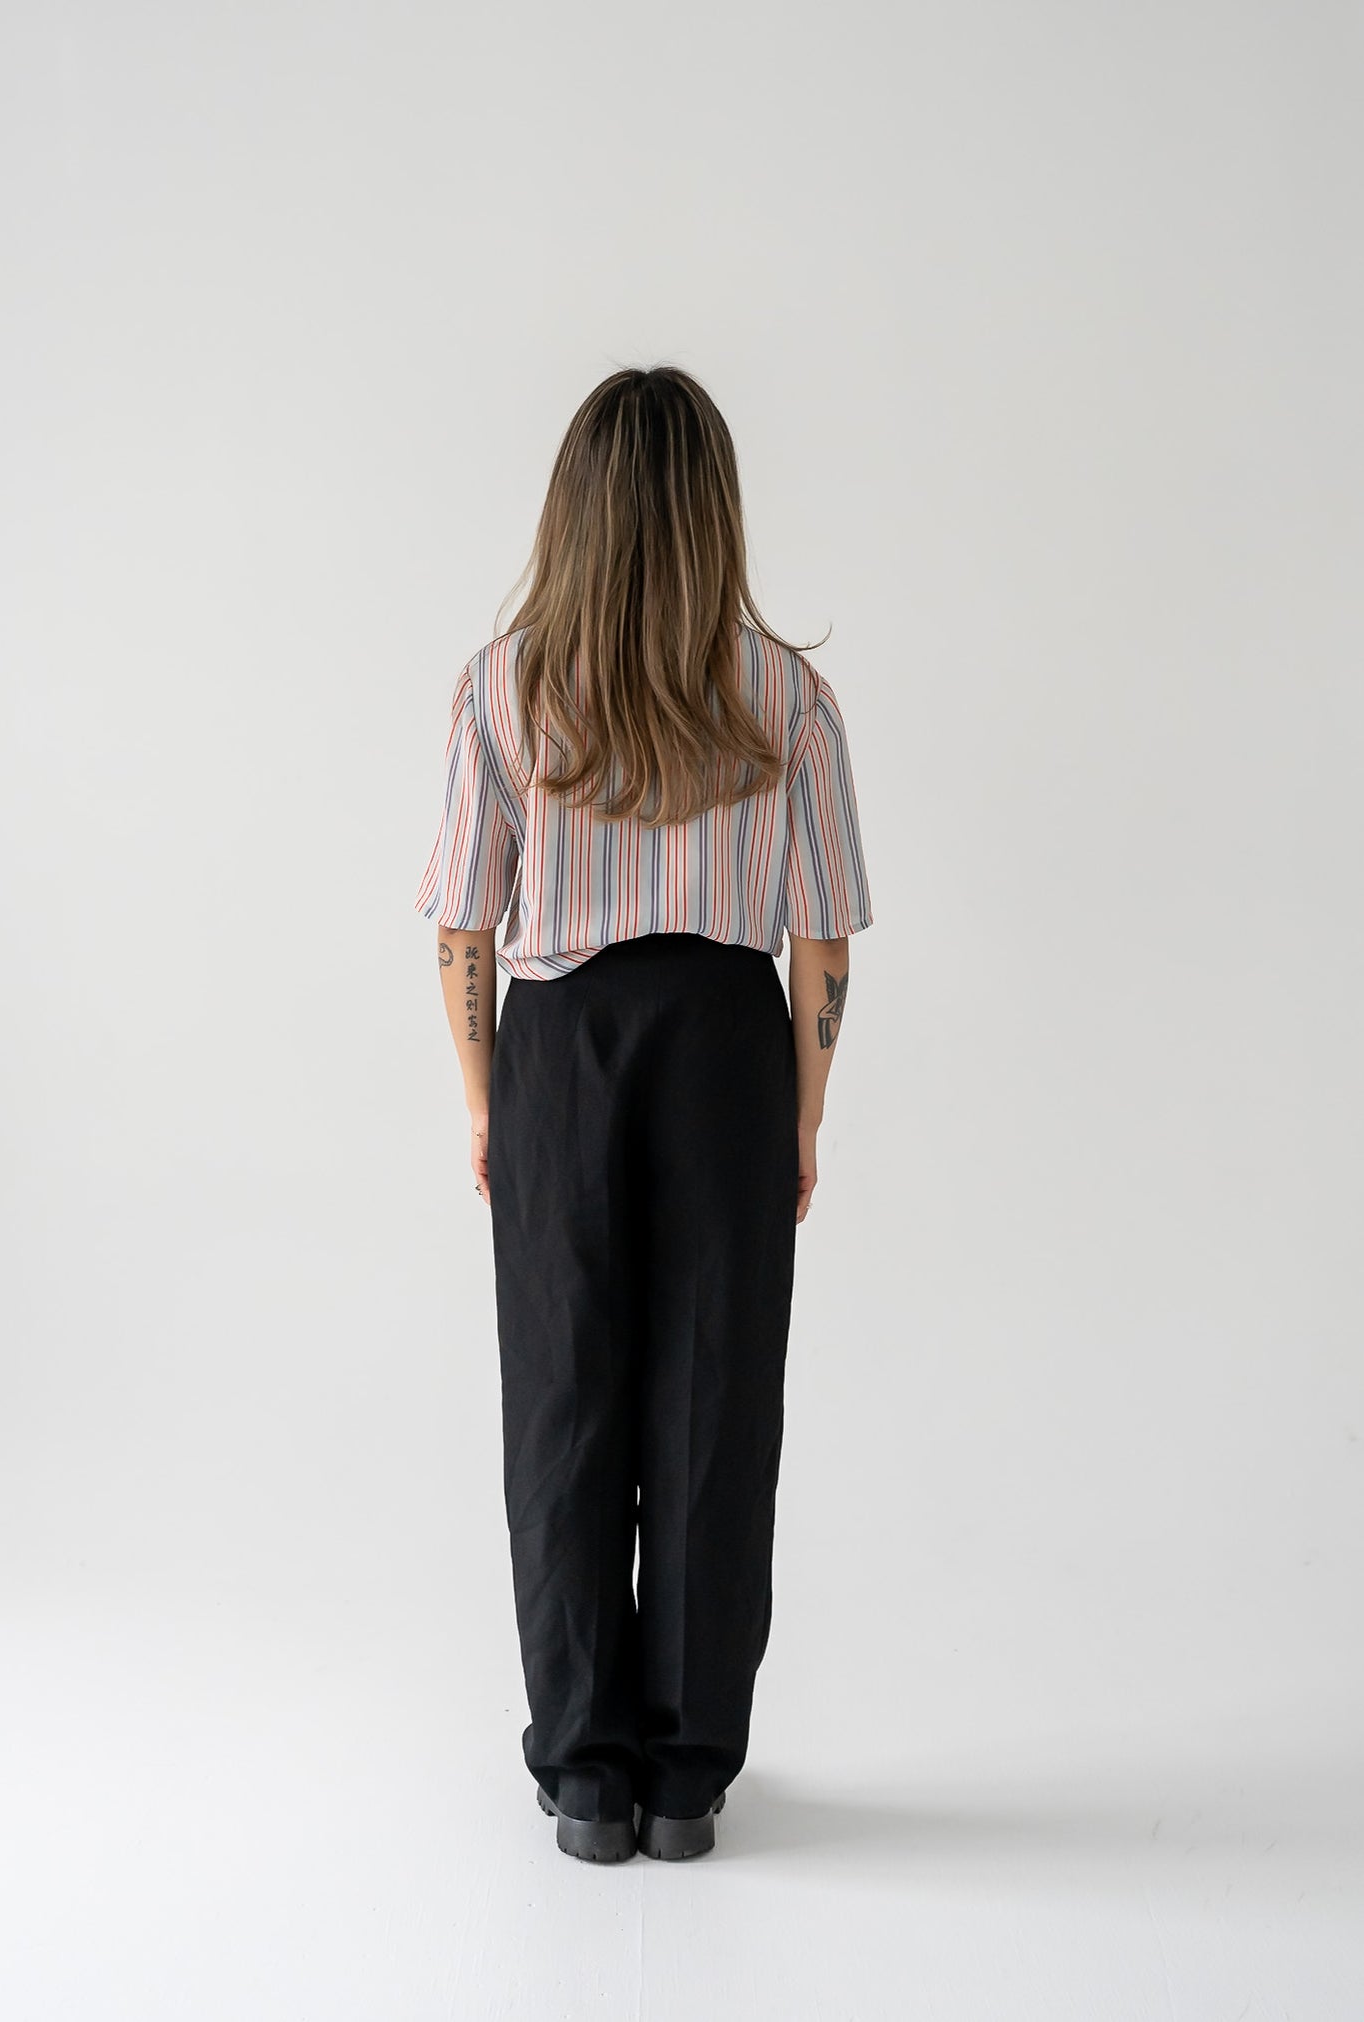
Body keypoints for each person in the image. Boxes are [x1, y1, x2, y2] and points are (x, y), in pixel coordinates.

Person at [414, 364, 873, 1863]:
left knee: (563, 1398)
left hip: (561, 1043)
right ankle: (684, 1778)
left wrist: (486, 1100)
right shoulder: (788, 695)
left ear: (574, 512)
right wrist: (803, 1113)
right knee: (712, 1402)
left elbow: (462, 924)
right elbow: (821, 937)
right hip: (730, 1043)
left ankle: (585, 1778)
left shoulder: (502, 684)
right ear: (714, 511)